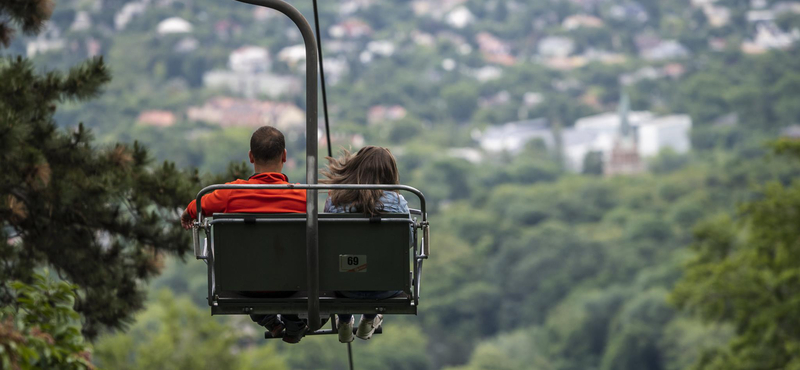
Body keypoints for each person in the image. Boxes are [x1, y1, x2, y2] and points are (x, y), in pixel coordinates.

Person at [180, 126, 309, 343]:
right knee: (279, 267)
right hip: (291, 284)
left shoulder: (231, 193)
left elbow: (199, 206)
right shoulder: (303, 197)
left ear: (251, 157)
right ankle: (295, 323)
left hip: (245, 286)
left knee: (249, 266)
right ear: (284, 156)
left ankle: (270, 320)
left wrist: (187, 213)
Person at [320, 146, 409, 343]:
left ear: (355, 168)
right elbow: (407, 242)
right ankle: (369, 318)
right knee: (376, 265)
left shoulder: (335, 201)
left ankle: (344, 320)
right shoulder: (398, 202)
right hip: (386, 287)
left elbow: (327, 243)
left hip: (344, 287)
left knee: (351, 264)